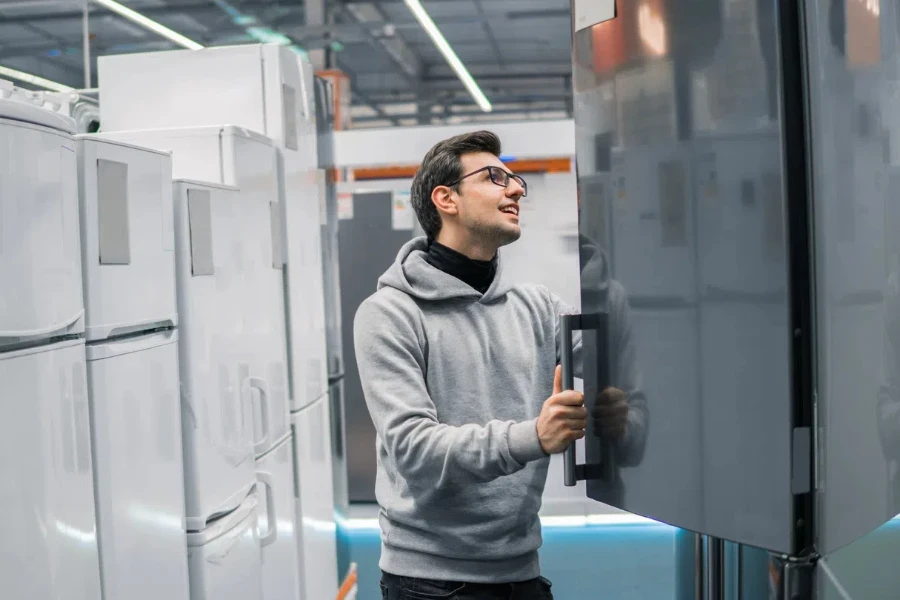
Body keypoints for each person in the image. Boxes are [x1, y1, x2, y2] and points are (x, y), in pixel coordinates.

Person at [353, 130, 646, 599]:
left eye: (516, 181)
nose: (515, 190)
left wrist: (616, 410)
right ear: (445, 198)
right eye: (495, 177)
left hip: (520, 569)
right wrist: (536, 435)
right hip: (429, 583)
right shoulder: (389, 313)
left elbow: (617, 370)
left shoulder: (538, 308)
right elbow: (414, 450)